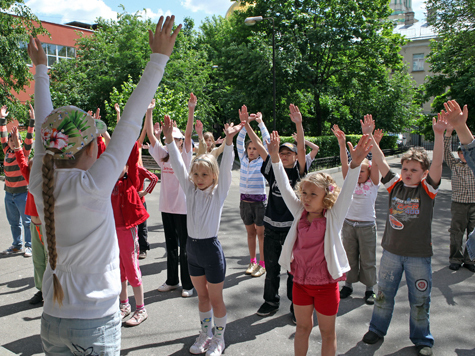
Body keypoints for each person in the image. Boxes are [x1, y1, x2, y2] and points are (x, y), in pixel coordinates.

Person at [27, 16, 181, 355]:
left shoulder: (42, 181)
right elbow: (129, 120)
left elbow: (44, 128)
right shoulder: (89, 184)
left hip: (52, 320)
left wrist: (40, 70)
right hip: (93, 323)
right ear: (93, 147)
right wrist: (158, 59)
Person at [269, 130, 373, 356]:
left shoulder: (333, 216)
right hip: (301, 283)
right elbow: (285, 186)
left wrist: (354, 165)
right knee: (302, 328)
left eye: (312, 195)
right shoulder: (299, 212)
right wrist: (275, 158)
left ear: (325, 196)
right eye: (304, 193)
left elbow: (346, 191)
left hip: (326, 286)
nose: (305, 198)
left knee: (327, 333)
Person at [362, 112, 447, 356]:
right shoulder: (394, 185)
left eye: (414, 169)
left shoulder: (427, 190)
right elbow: (378, 158)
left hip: (418, 256)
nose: (408, 172)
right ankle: (376, 329)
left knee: (420, 300)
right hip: (391, 253)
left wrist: (438, 135)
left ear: (424, 173)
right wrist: (369, 136)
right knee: (383, 295)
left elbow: (439, 163)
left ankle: (422, 339)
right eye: (406, 168)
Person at [163, 113, 243, 356]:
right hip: (193, 251)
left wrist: (228, 142)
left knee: (216, 299)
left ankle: (219, 338)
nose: (198, 179)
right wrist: (168, 139)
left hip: (210, 251)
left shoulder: (217, 194)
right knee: (202, 298)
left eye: (204, 175)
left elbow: (227, 167)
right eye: (196, 175)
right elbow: (177, 164)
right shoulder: (191, 190)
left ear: (214, 177)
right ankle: (205, 333)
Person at [254, 104, 307, 322]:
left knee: (293, 270)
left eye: (289, 153)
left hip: (292, 229)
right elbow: (260, 147)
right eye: (281, 153)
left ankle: (296, 307)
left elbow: (303, 148)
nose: (284, 156)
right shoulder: (273, 170)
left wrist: (299, 124)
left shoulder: (299, 172)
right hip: (271, 227)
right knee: (272, 268)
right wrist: (249, 125)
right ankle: (270, 301)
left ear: (295, 156)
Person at [145, 94, 195, 297]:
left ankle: (188, 285)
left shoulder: (185, 155)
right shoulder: (164, 155)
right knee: (171, 246)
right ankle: (172, 280)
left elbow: (190, 135)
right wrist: (149, 111)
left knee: (185, 248)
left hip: (182, 208)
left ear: (182, 141)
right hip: (167, 207)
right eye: (170, 138)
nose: (173, 141)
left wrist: (191, 109)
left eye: (177, 139)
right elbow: (150, 135)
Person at [332, 116, 382, 305]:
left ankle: (370, 289)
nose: (359, 173)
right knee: (349, 256)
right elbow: (346, 163)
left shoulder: (374, 183)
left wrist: (372, 140)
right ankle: (348, 285)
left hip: (367, 225)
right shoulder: (349, 181)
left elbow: (376, 162)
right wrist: (342, 143)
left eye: (362, 170)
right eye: (358, 170)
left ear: (369, 172)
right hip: (349, 224)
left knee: (368, 258)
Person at [112, 142, 150, 326]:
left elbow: (134, 158)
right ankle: (124, 305)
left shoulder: (130, 181)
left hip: (127, 230)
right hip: (112, 233)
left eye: (121, 164)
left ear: (126, 167)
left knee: (132, 267)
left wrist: (130, 134)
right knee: (119, 270)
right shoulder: (108, 184)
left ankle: (141, 309)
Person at [10, 124, 47, 304]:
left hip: (48, 226)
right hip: (35, 226)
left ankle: (52, 290)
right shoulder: (29, 179)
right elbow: (22, 161)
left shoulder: (49, 182)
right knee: (38, 261)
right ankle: (41, 290)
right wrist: (17, 145)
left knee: (50, 261)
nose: (32, 169)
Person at [236, 110, 270, 277]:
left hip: (259, 203)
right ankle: (252, 261)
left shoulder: (263, 162)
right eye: (249, 148)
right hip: (245, 202)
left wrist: (260, 123)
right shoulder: (242, 159)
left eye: (255, 148)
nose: (251, 150)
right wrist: (245, 122)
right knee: (250, 233)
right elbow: (239, 139)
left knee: (261, 234)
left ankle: (262, 263)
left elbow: (267, 141)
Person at [1, 104, 34, 256]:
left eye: (16, 139)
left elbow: (28, 138)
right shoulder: (7, 151)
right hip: (9, 194)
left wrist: (31, 121)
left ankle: (29, 246)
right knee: (14, 222)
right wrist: (2, 118)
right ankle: (16, 244)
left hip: (22, 193)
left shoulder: (23, 152)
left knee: (27, 222)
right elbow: (2, 135)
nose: (13, 142)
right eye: (11, 140)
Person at [443, 122, 475, 272]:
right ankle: (455, 258)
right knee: (456, 232)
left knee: (472, 233)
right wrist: (448, 134)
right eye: (461, 152)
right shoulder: (454, 164)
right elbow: (445, 152)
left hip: (474, 204)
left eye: (465, 152)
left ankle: (470, 259)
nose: (463, 155)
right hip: (459, 204)